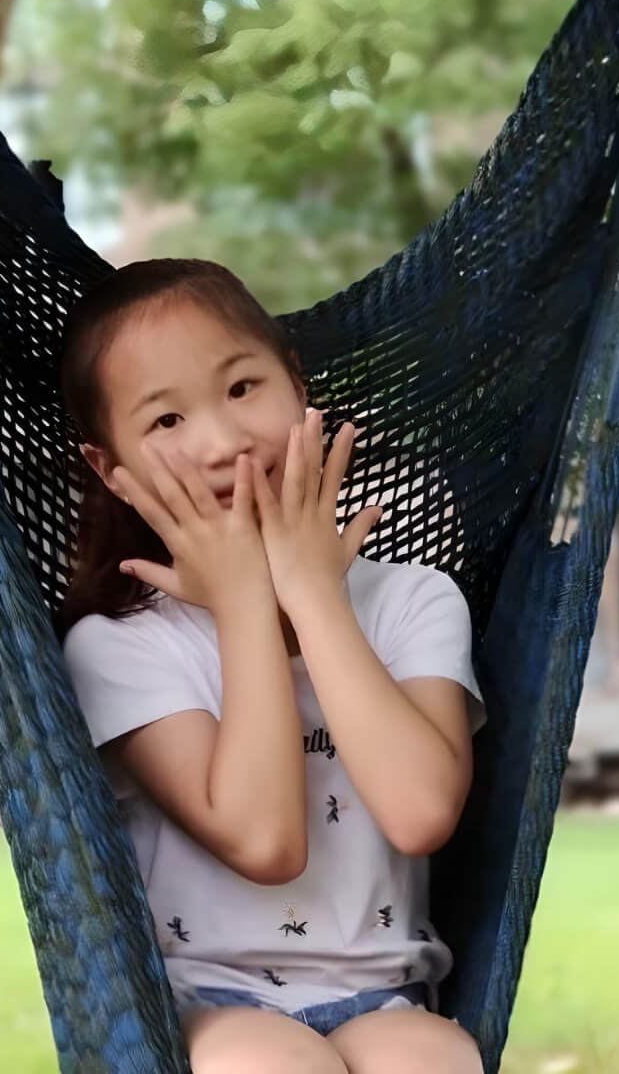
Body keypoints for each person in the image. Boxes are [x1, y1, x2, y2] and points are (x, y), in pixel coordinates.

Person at [60, 259, 485, 1074]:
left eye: (243, 389)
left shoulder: (413, 601)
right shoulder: (120, 645)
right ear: (111, 471)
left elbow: (420, 813)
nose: (221, 442)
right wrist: (248, 606)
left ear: (296, 385)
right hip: (209, 1002)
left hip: (386, 993)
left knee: (434, 1062)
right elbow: (265, 842)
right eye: (167, 421)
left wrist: (311, 593)